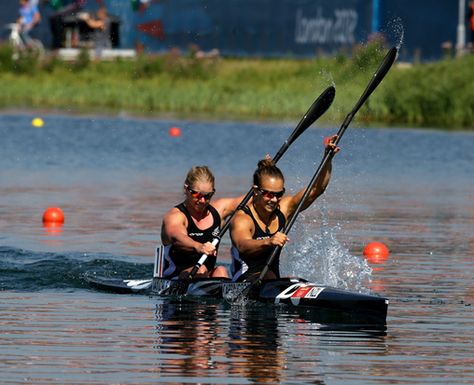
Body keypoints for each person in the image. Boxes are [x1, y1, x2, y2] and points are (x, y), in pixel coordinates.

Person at [230, 135, 339, 282]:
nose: (274, 200)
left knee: (299, 282)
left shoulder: (284, 208)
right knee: (268, 276)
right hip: (244, 280)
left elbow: (315, 190)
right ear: (256, 191)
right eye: (268, 194)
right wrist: (269, 241)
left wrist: (328, 158)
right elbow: (243, 245)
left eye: (279, 194)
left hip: (270, 279)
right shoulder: (243, 219)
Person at [160, 166, 246, 280]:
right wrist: (199, 246)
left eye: (208, 196)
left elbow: (252, 199)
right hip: (176, 277)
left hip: (205, 276)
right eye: (197, 195)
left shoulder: (218, 211)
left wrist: (263, 175)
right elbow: (177, 237)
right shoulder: (175, 216)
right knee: (201, 270)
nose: (202, 201)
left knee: (221, 270)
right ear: (186, 189)